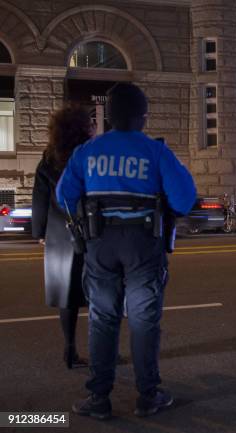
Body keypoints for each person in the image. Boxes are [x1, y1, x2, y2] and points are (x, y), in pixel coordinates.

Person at [56, 83, 196, 420]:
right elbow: (183, 200)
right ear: (143, 118)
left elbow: (64, 197)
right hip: (143, 245)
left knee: (103, 320)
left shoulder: (88, 152)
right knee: (144, 321)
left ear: (109, 117)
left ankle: (99, 397)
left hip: (100, 244)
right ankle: (148, 395)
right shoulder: (156, 152)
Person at [31, 106, 94, 370]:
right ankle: (101, 349)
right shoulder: (88, 156)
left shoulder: (48, 159)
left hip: (58, 232)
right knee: (97, 293)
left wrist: (40, 233)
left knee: (67, 298)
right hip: (88, 230)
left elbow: (40, 200)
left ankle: (69, 351)